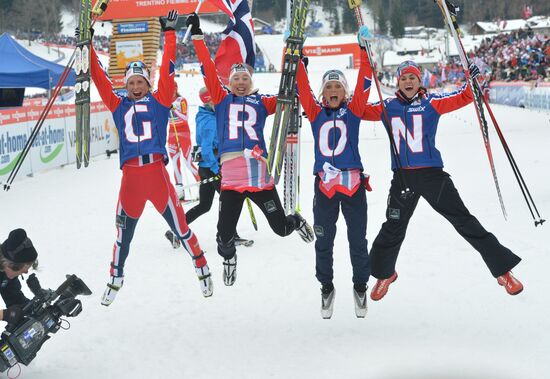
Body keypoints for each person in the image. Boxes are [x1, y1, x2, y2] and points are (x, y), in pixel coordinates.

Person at [362, 60, 523, 301]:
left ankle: (503, 271)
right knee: (393, 227)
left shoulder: (431, 103)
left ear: (420, 81)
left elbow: (463, 97)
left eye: (413, 78)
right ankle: (385, 274)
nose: (408, 82)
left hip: (432, 176)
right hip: (403, 178)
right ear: (397, 82)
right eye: (404, 78)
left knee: (464, 221)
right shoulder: (388, 106)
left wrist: (472, 80)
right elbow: (357, 110)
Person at [88, 10, 213, 305]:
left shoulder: (159, 102)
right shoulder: (118, 104)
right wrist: (89, 46)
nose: (134, 87)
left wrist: (170, 34)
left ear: (146, 83)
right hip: (131, 178)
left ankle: (201, 265)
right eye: (131, 82)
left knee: (181, 228)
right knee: (123, 235)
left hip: (156, 174)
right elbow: (99, 77)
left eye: (139, 82)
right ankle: (115, 277)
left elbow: (169, 72)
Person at [187, 13, 314, 286]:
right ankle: (229, 259)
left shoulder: (261, 102)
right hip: (232, 181)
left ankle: (296, 220)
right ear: (230, 83)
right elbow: (208, 69)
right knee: (223, 235)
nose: (241, 82)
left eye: (245, 78)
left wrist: (299, 66)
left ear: (251, 80)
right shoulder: (221, 101)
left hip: (259, 178)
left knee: (280, 229)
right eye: (236, 79)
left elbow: (288, 96)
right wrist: (198, 37)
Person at [296, 27, 373, 318]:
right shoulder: (315, 113)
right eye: (328, 88)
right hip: (325, 187)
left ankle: (360, 285)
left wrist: (364, 52)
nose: (332, 92)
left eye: (337, 87)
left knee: (357, 239)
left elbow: (365, 83)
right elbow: (301, 87)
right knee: (324, 240)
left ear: (344, 91)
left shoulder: (354, 111)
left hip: (352, 184)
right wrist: (298, 55)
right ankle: (326, 287)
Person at [167, 83, 200, 200]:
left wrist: (174, 109)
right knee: (175, 163)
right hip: (172, 133)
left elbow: (185, 118)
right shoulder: (164, 100)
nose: (170, 91)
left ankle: (201, 186)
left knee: (187, 161)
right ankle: (180, 192)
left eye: (172, 89)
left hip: (183, 132)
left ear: (176, 89)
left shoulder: (181, 100)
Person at [0, 229, 38, 326]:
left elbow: (14, 298)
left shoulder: (7, 275)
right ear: (9, 265)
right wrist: (3, 314)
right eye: (23, 270)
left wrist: (35, 305)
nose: (26, 272)